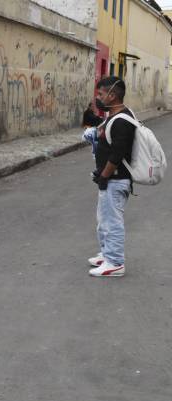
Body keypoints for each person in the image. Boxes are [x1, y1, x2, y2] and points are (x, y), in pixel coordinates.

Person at [88, 77, 136, 277]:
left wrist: (104, 176)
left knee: (112, 222)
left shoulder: (121, 121)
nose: (98, 98)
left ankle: (115, 262)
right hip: (110, 179)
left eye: (101, 94)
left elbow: (117, 154)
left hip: (115, 180)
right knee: (104, 220)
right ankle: (107, 254)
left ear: (112, 95)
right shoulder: (115, 115)